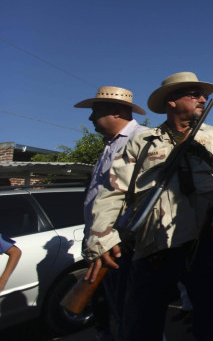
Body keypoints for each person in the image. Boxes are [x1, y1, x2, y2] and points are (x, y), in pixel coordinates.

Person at [83, 72, 213, 341]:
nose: (203, 99)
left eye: (204, 95)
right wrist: (101, 237)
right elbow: (112, 191)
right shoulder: (143, 141)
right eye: (194, 94)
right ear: (171, 101)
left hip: (207, 244)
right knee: (141, 325)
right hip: (154, 249)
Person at [74, 86, 147, 338]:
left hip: (122, 246)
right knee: (117, 313)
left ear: (116, 111)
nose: (90, 118)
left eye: (96, 111)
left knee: (136, 316)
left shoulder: (144, 139)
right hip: (103, 244)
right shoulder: (109, 146)